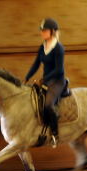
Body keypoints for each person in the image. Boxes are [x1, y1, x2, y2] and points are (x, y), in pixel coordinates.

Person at [25, 18, 66, 148]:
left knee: (48, 105)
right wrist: (27, 77)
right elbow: (36, 64)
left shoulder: (58, 48)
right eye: (41, 30)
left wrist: (44, 79)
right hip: (47, 80)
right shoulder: (42, 47)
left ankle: (55, 134)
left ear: (52, 32)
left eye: (44, 30)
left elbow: (59, 70)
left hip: (57, 81)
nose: (42, 32)